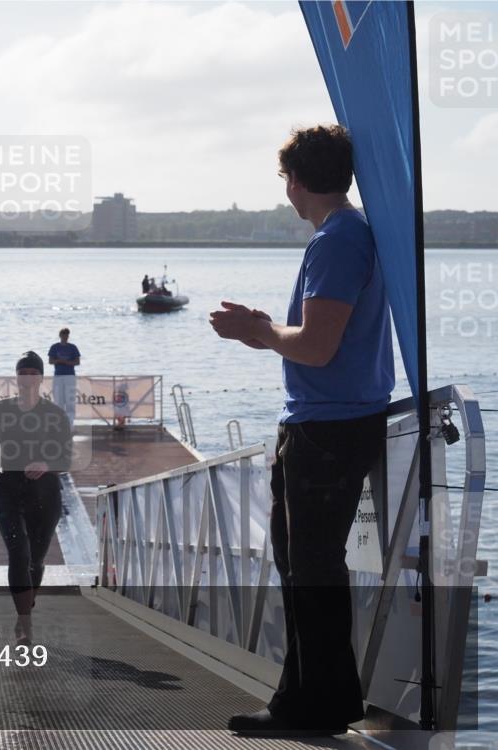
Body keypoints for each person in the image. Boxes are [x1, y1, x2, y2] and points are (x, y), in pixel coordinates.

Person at [210, 124, 394, 737]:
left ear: (295, 180)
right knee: (307, 566)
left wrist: (256, 333)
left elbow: (316, 347)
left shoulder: (337, 240)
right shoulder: (348, 235)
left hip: (328, 430)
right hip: (332, 423)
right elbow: (322, 339)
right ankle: (319, 699)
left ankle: (309, 707)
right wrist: (265, 324)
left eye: (284, 179)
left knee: (311, 568)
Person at [0, 351, 73, 646]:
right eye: (23, 372)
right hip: (8, 487)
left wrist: (45, 464)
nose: (28, 378)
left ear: (41, 378)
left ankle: (24, 610)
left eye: (34, 372)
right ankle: (25, 623)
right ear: (16, 377)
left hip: (45, 491)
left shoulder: (54, 414)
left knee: (36, 559)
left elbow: (66, 457)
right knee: (19, 551)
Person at [47, 328, 80, 428]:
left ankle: (70, 425)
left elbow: (77, 362)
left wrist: (67, 363)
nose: (65, 337)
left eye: (67, 335)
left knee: (70, 401)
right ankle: (59, 424)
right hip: (58, 376)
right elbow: (50, 361)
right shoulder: (54, 347)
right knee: (58, 401)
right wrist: (58, 361)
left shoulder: (73, 347)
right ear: (60, 335)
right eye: (63, 335)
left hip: (69, 376)